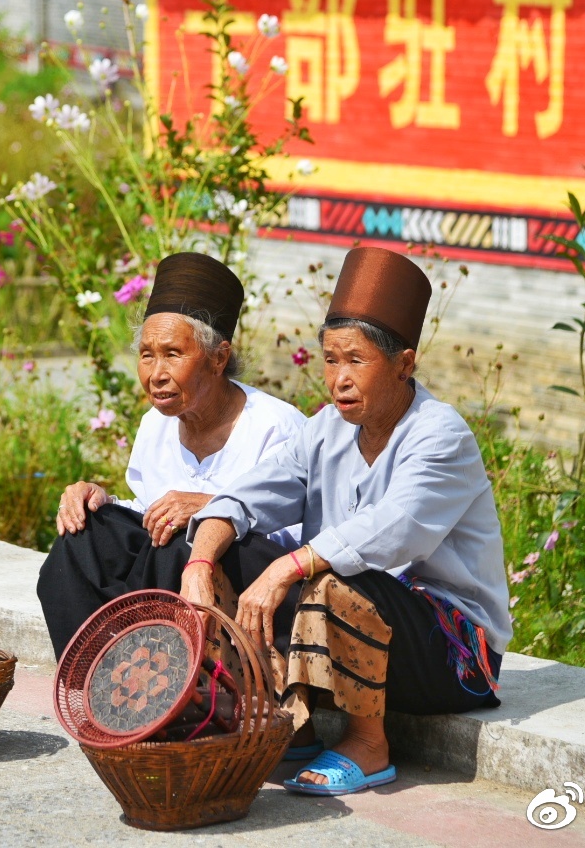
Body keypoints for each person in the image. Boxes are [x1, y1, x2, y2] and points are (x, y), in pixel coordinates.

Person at [182, 246, 511, 797]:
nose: (338, 378)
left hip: (451, 653)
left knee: (337, 581)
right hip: (341, 631)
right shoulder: (325, 430)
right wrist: (198, 561)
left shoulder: (441, 435)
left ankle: (368, 746)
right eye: (331, 360)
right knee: (228, 552)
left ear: (403, 365)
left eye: (356, 360)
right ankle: (285, 722)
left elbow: (393, 530)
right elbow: (245, 497)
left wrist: (288, 567)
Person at [36, 252, 306, 659]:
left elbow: (300, 539)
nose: (155, 373)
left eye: (173, 354)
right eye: (147, 355)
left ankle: (164, 681)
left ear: (218, 358)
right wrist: (98, 500)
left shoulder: (276, 426)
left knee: (183, 537)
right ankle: (95, 676)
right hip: (167, 571)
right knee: (84, 535)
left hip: (252, 590)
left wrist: (214, 509)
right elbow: (148, 509)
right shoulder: (155, 423)